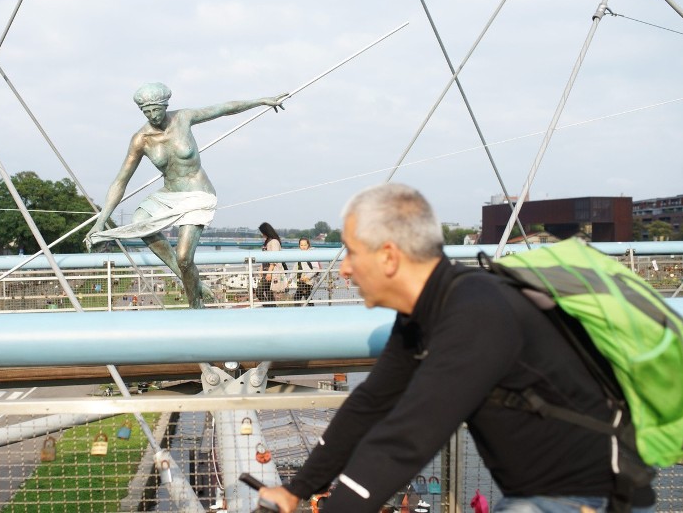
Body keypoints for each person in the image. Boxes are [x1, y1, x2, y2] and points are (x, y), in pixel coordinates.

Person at [259, 183, 654, 513]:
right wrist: (298, 489)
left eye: (351, 252)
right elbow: (369, 406)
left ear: (389, 257)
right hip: (535, 496)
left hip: (590, 499)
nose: (343, 268)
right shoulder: (425, 311)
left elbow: (406, 438)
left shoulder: (475, 312)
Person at [86, 83, 287, 309]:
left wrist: (260, 101)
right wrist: (100, 221)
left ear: (165, 106)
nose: (152, 115)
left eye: (156, 110)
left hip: (198, 193)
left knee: (184, 258)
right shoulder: (141, 139)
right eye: (147, 111)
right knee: (139, 222)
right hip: (170, 194)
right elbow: (120, 181)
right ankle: (196, 287)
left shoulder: (183, 118)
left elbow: (224, 108)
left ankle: (195, 306)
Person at [256, 221, 284, 306]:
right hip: (266, 271)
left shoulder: (274, 242)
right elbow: (264, 258)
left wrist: (269, 272)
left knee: (259, 291)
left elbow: (274, 258)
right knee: (269, 293)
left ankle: (269, 308)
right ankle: (272, 309)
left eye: (262, 232)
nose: (262, 234)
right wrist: (261, 270)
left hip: (270, 271)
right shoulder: (268, 241)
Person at [293, 237, 320, 306]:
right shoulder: (299, 255)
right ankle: (311, 313)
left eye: (305, 245)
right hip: (302, 280)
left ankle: (298, 313)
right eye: (301, 245)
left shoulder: (311, 254)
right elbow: (295, 268)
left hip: (308, 280)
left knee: (297, 297)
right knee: (307, 297)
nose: (303, 247)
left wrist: (307, 277)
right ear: (299, 246)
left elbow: (316, 268)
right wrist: (290, 279)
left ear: (308, 245)